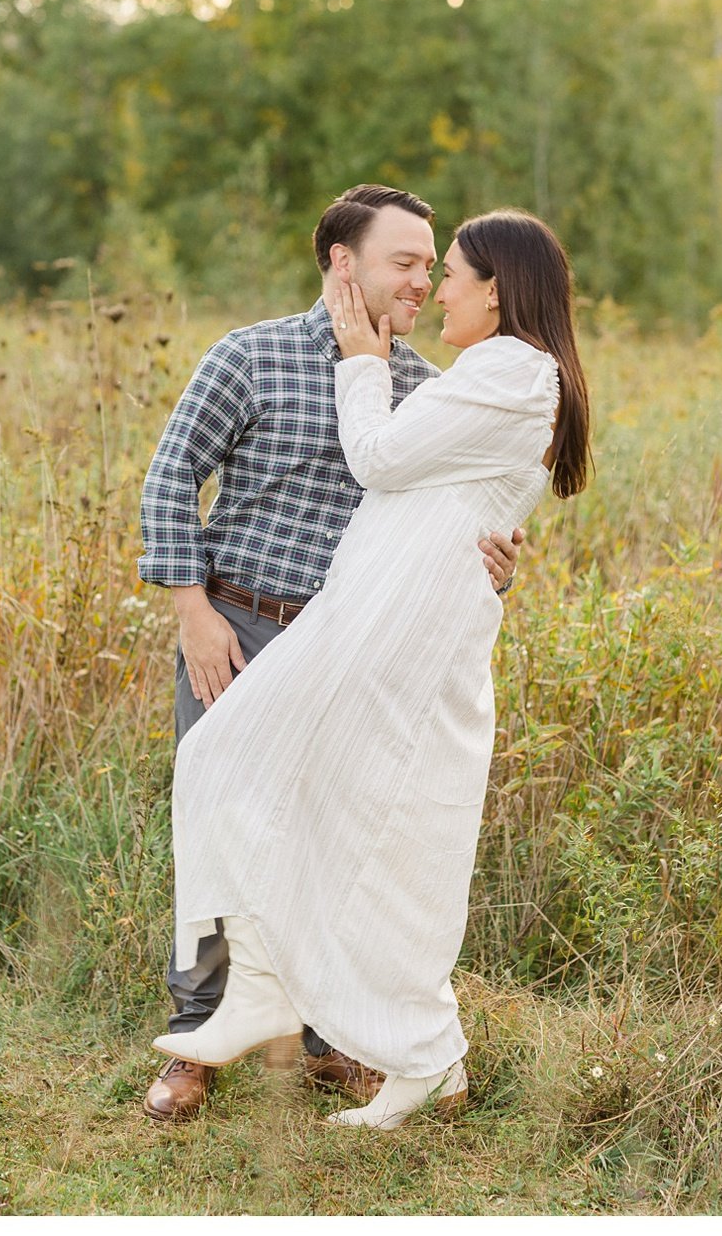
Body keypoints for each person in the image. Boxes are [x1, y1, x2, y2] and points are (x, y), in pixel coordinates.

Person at [151, 208, 592, 1129]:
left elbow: (442, 507)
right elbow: (169, 480)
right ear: (342, 263)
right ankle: (207, 1026)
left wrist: (499, 559)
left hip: (356, 643)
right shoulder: (253, 356)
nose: (426, 285)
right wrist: (192, 609)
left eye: (438, 268)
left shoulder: (442, 378)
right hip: (235, 620)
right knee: (221, 787)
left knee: (335, 833)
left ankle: (331, 1036)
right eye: (407, 263)